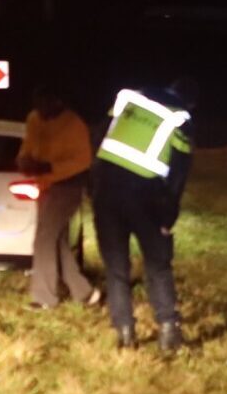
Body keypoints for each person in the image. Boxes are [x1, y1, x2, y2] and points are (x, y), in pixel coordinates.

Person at [93, 77, 197, 353]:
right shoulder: (181, 118)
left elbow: (99, 136)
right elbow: (178, 176)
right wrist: (167, 218)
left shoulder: (130, 97)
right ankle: (167, 331)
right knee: (157, 265)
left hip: (106, 190)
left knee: (116, 268)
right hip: (145, 196)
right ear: (190, 103)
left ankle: (125, 334)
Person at [17, 88, 101, 309]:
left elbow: (82, 162)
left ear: (58, 101)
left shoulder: (74, 125)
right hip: (45, 185)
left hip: (67, 187)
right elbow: (28, 147)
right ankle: (85, 293)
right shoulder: (34, 119)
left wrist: (48, 167)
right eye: (37, 102)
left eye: (45, 102)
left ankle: (44, 298)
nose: (40, 108)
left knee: (44, 239)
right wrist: (24, 160)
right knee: (57, 241)